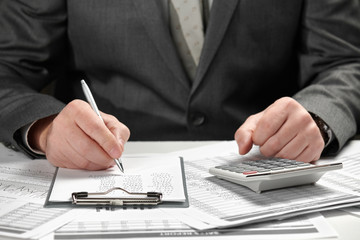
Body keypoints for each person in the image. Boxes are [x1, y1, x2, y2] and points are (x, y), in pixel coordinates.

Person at [0, 0, 360, 170]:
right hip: (105, 180)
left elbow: (345, 61)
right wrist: (46, 130)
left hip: (263, 170)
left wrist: (317, 117)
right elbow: (8, 70)